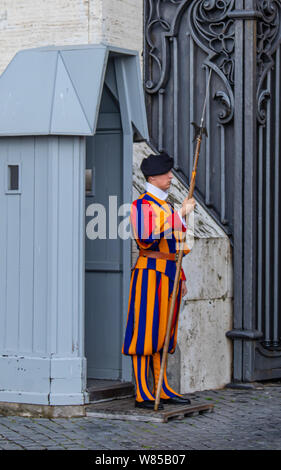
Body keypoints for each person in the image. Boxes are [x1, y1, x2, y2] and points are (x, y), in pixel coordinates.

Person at [122, 151, 196, 410]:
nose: (170, 177)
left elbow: (176, 246)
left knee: (164, 334)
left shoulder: (166, 206)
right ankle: (143, 392)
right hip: (149, 274)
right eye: (165, 173)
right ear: (153, 177)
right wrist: (180, 216)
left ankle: (161, 387)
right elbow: (146, 238)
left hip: (169, 274)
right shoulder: (141, 205)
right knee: (145, 332)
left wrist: (182, 276)